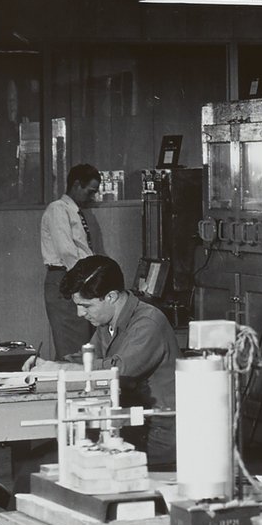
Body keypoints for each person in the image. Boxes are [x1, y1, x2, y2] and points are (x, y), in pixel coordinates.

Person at [63, 254, 180, 470]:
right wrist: (43, 368)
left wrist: (61, 370)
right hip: (129, 423)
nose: (80, 313)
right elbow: (88, 358)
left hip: (157, 433)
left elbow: (118, 372)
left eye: (86, 306)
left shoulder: (148, 323)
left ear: (111, 297)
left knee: (66, 459)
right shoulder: (107, 322)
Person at [39, 164, 104, 360]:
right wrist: (86, 281)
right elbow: (66, 252)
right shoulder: (58, 209)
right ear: (76, 185)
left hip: (77, 279)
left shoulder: (76, 212)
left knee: (81, 346)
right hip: (67, 280)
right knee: (72, 347)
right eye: (89, 191)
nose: (92, 197)